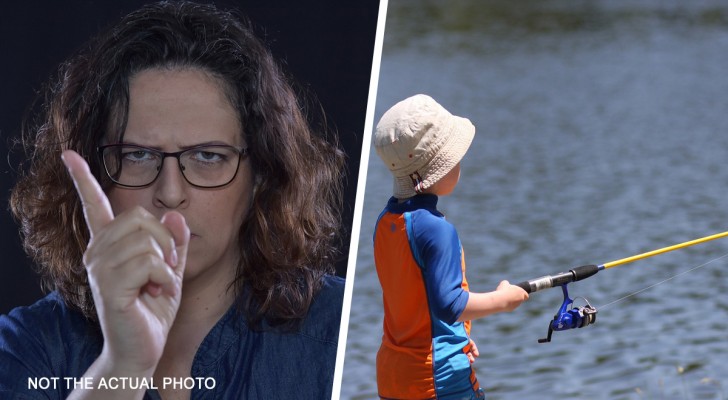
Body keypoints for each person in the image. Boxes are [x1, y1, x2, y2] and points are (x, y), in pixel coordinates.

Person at [0, 2, 346, 399]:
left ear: (260, 176)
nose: (170, 193)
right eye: (138, 156)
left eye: (208, 157)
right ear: (96, 175)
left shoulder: (338, 333)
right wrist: (122, 366)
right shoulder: (28, 348)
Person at [371, 94, 530, 400]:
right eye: (455, 157)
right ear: (437, 168)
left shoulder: (385, 223)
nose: (459, 164)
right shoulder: (437, 229)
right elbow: (450, 304)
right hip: (437, 379)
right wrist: (503, 300)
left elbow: (415, 303)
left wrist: (456, 339)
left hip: (393, 375)